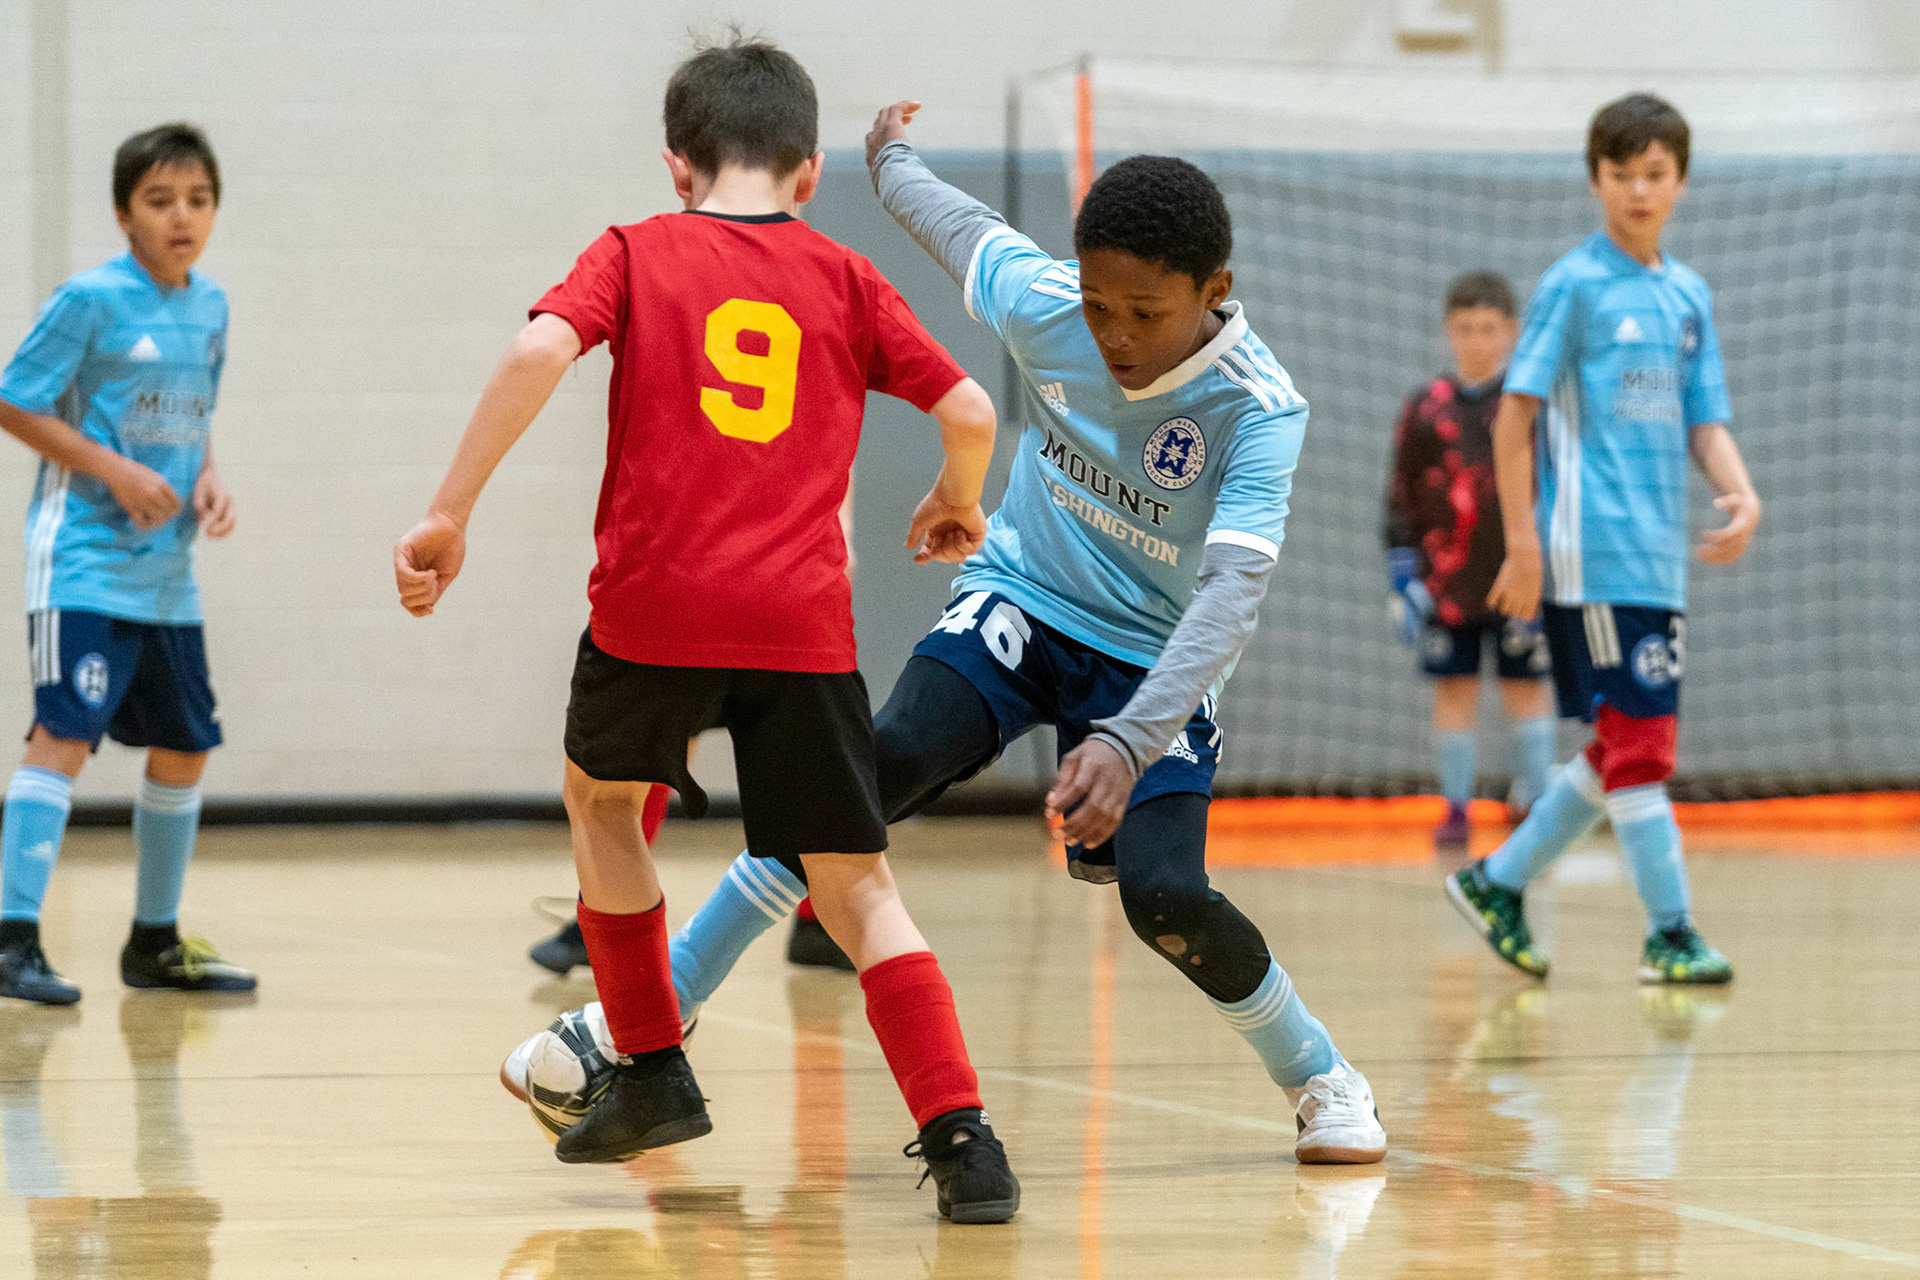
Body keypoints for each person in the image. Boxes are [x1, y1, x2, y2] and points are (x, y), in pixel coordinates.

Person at [660, 100, 1388, 1165]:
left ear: (1214, 294)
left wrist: (1129, 738)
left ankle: (1322, 1074)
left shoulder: (1258, 409)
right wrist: (892, 157)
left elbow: (1229, 599)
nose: (1116, 336)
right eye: (1099, 307)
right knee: (867, 769)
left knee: (1167, 895)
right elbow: (954, 225)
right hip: (1023, 597)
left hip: (1151, 657)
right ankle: (655, 1007)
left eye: (1144, 311)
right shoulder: (1051, 302)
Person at [394, 38, 1018, 1222]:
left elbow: (538, 346)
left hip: (654, 609)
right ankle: (963, 1139)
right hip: (801, 622)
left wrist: (447, 510)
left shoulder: (637, 247)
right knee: (857, 884)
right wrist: (956, 498)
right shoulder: (842, 274)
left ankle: (654, 1069)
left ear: (677, 166)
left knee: (600, 802)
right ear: (809, 168)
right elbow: (971, 404)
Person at [1445, 93, 1760, 984]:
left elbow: (1706, 420)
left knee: (1623, 742)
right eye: (1622, 175)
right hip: (1590, 554)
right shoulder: (1574, 285)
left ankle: (1498, 882)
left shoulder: (1688, 295)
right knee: (1646, 749)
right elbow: (1514, 419)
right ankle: (1670, 934)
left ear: (1680, 183)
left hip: (1659, 560)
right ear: (1596, 181)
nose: (1638, 190)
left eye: (1655, 174)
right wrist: (1524, 544)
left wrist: (1740, 493)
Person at [0, 123, 255, 1004]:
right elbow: (12, 400)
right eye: (159, 201)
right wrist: (112, 469)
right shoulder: (91, 300)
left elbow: (193, 414)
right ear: (123, 213)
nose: (181, 217)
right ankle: (11, 939)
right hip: (83, 561)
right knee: (65, 733)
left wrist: (210, 479)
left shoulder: (212, 306)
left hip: (167, 575)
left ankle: (153, 942)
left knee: (185, 747)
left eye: (197, 199)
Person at [1384, 271, 1556, 850]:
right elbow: (1401, 495)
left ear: (1510, 332)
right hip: (1447, 586)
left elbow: (1553, 491)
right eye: (1465, 329)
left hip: (1518, 581)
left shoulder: (1530, 408)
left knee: (1525, 690)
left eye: (1488, 329)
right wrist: (1402, 577)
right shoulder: (1425, 409)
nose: (1477, 341)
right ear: (1448, 331)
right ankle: (1456, 810)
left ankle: (1537, 803)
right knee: (1454, 691)